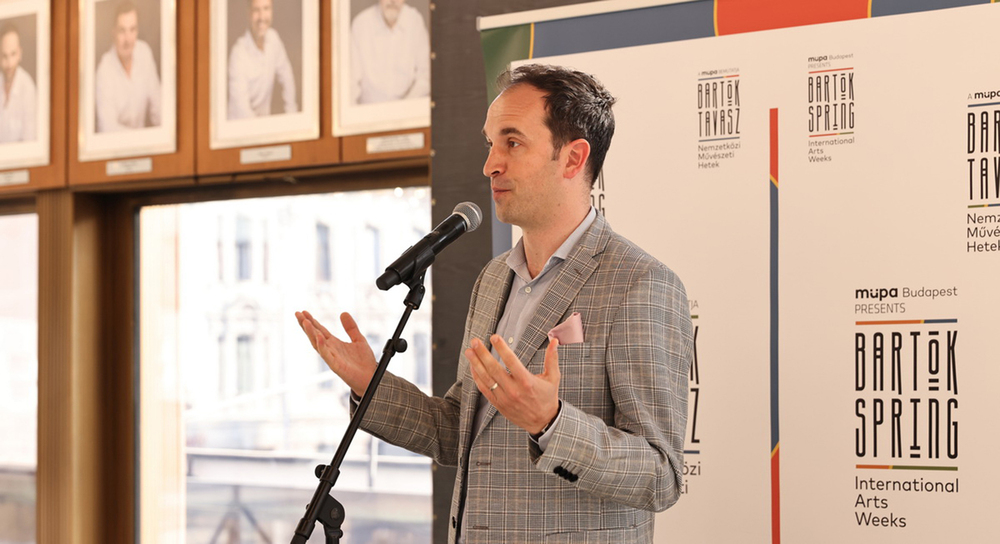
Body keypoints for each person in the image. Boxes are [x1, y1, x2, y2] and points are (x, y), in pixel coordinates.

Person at [296, 64, 693, 543]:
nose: (490, 165)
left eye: (512, 142)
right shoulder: (493, 279)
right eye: (490, 143)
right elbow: (457, 433)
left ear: (573, 158)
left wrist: (551, 423)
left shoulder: (640, 283)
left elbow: (662, 475)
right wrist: (369, 384)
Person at [95, 1, 161, 132]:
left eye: (132, 29)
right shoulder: (104, 70)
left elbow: (159, 108)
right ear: (113, 33)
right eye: (122, 30)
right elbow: (107, 128)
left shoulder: (144, 53)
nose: (128, 39)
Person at [349, 0, 429, 105]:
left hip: (407, 109)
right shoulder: (361, 24)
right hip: (369, 112)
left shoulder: (414, 21)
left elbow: (426, 75)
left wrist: (405, 107)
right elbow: (351, 83)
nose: (393, 1)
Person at [228, 0, 297, 120]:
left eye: (266, 9)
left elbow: (287, 77)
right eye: (256, 10)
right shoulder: (238, 54)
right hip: (239, 128)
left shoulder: (274, 39)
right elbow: (242, 111)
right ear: (249, 13)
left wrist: (292, 114)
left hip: (262, 128)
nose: (262, 17)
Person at [0, 23, 36, 142]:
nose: (9, 63)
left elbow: (29, 140)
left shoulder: (28, 88)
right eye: (4, 56)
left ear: (20, 53)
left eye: (13, 54)